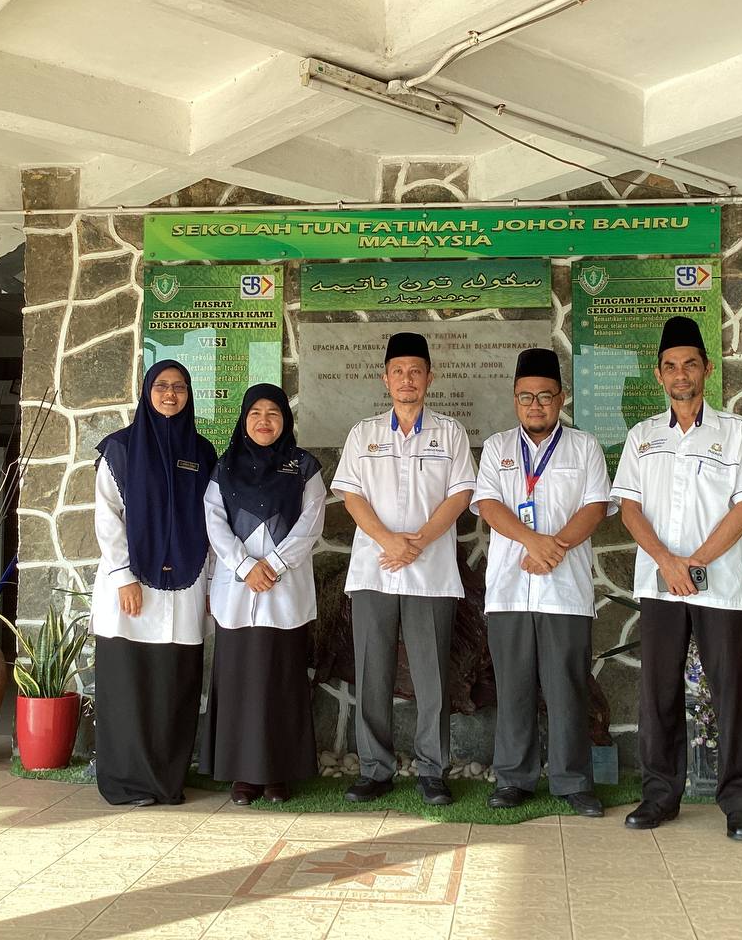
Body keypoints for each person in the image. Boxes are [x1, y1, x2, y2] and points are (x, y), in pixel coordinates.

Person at [611, 316, 742, 841]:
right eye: (671, 366)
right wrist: (668, 561)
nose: (681, 374)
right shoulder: (642, 437)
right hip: (659, 582)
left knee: (730, 691)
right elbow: (629, 508)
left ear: (707, 370)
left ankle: (739, 803)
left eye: (690, 364)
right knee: (657, 690)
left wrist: (693, 564)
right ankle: (660, 795)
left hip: (717, 585)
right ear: (659, 374)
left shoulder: (737, 433)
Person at [330, 331, 476, 806]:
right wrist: (390, 540)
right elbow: (352, 495)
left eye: (415, 371)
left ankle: (433, 770)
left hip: (430, 572)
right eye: (398, 371)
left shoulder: (450, 433)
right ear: (385, 378)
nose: (407, 379)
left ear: (430, 377)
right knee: (372, 670)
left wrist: (419, 542)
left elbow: (461, 494)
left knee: (432, 675)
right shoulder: (364, 433)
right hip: (374, 568)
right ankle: (375, 769)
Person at [471, 348, 615, 818]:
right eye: (526, 397)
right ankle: (514, 779)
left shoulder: (584, 446)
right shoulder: (497, 448)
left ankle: (573, 781)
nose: (536, 405)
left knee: (567, 688)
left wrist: (555, 547)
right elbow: (489, 505)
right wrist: (533, 542)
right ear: (515, 399)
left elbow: (595, 507)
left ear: (561, 397)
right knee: (513, 687)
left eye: (545, 396)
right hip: (510, 587)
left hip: (565, 588)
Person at [91, 359, 217, 806]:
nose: (170, 394)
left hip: (186, 584)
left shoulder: (203, 453)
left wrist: (211, 585)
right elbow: (107, 517)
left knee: (173, 687)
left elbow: (213, 523)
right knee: (130, 686)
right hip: (131, 589)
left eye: (179, 386)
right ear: (147, 392)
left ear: (189, 395)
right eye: (161, 385)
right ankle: (126, 782)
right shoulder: (120, 450)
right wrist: (124, 576)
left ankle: (167, 780)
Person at [198, 383, 325, 805]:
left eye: (273, 413)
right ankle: (242, 775)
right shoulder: (224, 467)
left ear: (285, 420)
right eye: (255, 413)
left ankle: (277, 773)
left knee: (280, 682)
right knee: (238, 682)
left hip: (283, 588)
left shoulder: (304, 466)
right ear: (244, 419)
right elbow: (214, 522)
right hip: (238, 590)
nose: (264, 420)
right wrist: (245, 566)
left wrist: (274, 565)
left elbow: (311, 522)